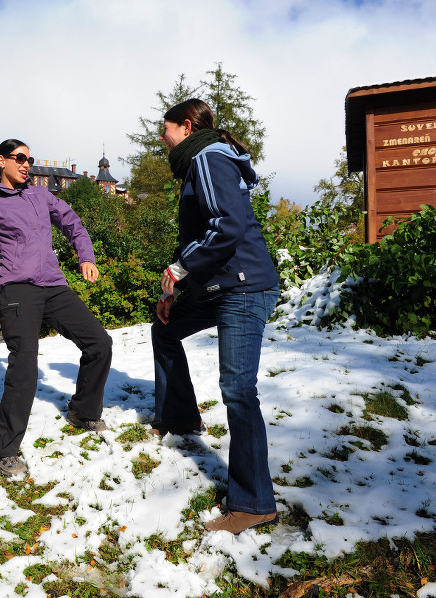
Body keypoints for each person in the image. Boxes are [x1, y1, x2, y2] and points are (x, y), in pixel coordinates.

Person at [151, 99, 280, 534]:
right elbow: (201, 235)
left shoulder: (208, 158)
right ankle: (180, 417)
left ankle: (255, 502)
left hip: (243, 287)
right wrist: (177, 287)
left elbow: (226, 227)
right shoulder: (200, 162)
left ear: (185, 126)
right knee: (165, 328)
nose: (162, 137)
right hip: (219, 286)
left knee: (238, 389)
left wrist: (178, 268)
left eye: (165, 129)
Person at [0, 139, 113, 477]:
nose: (27, 164)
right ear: (1, 162)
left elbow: (73, 223)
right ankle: (5, 450)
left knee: (99, 342)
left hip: (53, 286)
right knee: (25, 366)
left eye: (30, 159)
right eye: (20, 158)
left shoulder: (40, 195)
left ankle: (83, 411)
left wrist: (85, 256)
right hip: (17, 290)